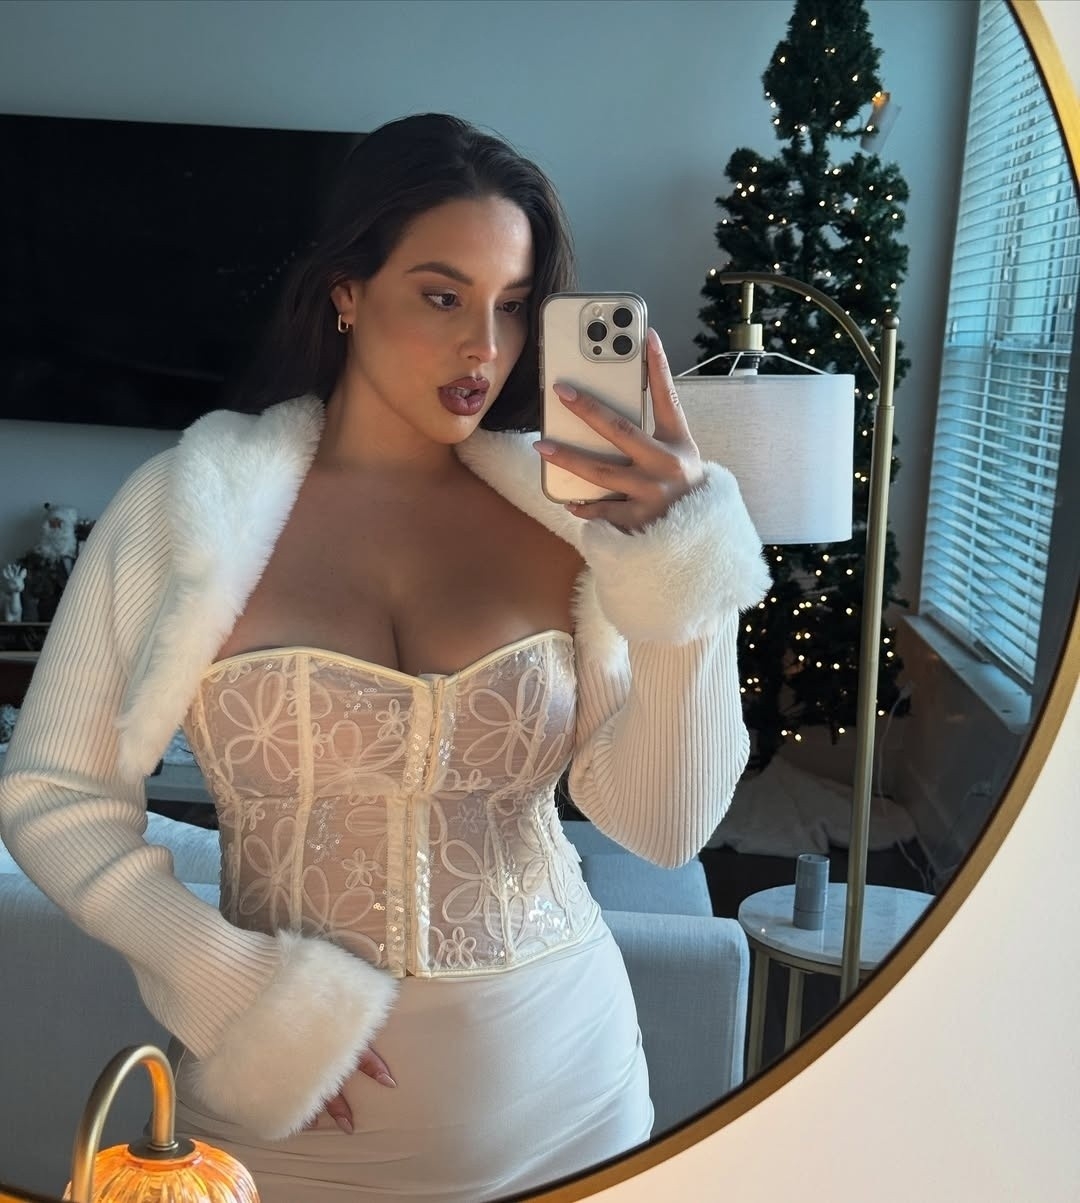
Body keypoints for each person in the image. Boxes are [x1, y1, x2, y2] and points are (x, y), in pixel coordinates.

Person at [0, 113, 770, 1202]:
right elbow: (54, 793)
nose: (484, 349)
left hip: (573, 1096)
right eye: (443, 296)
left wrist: (683, 572)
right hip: (282, 1125)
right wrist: (224, 982)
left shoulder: (568, 524)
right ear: (347, 292)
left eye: (513, 306)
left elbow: (664, 824)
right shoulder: (190, 508)